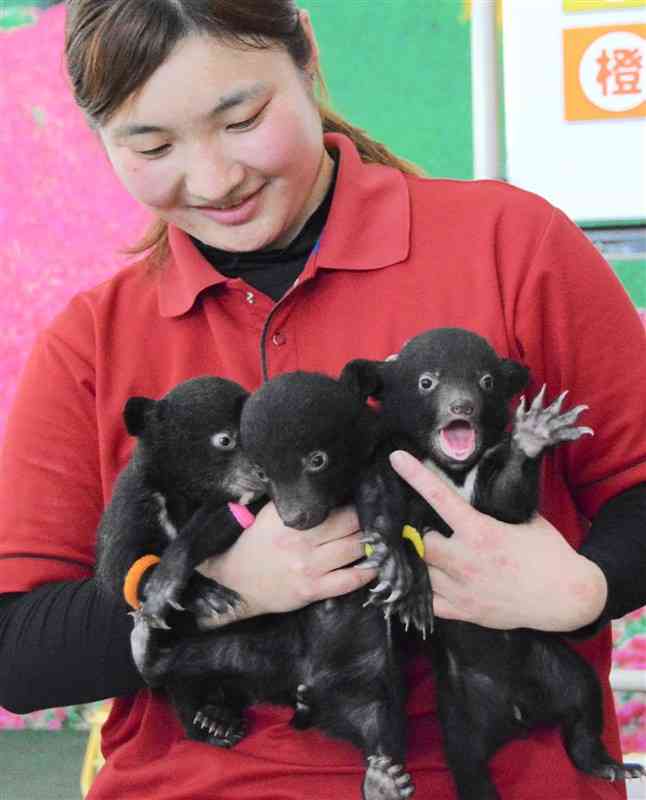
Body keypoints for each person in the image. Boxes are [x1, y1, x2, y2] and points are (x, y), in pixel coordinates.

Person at [0, 2, 644, 798]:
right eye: (152, 145)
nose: (213, 180)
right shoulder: (93, 339)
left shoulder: (512, 245)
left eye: (243, 118)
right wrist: (229, 586)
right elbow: (17, 653)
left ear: (304, 56)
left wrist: (586, 587)